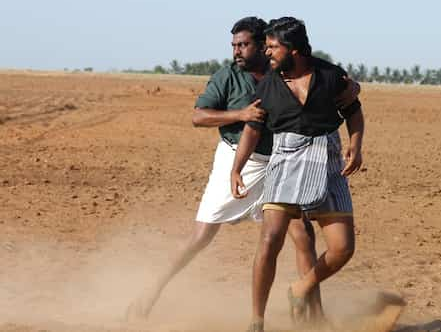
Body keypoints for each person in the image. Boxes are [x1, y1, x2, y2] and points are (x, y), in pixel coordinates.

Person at [126, 16, 328, 321]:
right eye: (234, 45)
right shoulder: (228, 76)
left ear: (264, 45)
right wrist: (240, 113)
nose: (237, 51)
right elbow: (198, 116)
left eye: (244, 44)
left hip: (278, 162)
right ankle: (151, 292)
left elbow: (321, 79)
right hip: (235, 160)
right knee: (201, 236)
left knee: (303, 235)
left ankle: (315, 315)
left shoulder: (283, 72)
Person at [230, 17, 365, 332]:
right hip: (285, 163)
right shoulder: (267, 84)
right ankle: (256, 320)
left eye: (273, 47)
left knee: (343, 247)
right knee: (270, 240)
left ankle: (301, 287)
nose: (268, 52)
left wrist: (356, 146)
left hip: (328, 162)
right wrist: (237, 168)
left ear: (294, 49)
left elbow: (353, 111)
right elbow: (253, 128)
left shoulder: (330, 76)